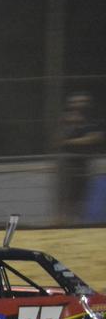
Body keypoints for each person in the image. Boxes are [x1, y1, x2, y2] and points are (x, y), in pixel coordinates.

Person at [56, 92, 104, 224]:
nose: (79, 106)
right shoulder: (67, 120)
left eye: (82, 102)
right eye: (75, 103)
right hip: (68, 164)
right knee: (66, 198)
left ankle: (78, 222)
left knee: (82, 197)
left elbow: (95, 138)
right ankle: (64, 222)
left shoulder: (92, 122)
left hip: (84, 163)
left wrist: (71, 141)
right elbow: (59, 140)